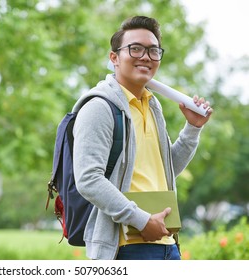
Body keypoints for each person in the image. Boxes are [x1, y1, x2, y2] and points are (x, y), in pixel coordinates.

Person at [72, 15, 213, 260]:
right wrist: (141, 219)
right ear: (114, 58)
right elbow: (88, 179)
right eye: (135, 49)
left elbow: (169, 168)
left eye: (153, 50)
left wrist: (192, 128)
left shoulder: (152, 105)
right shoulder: (99, 107)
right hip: (125, 247)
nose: (146, 56)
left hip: (167, 244)